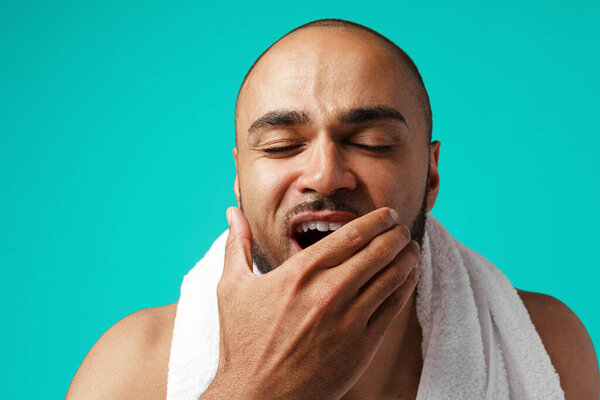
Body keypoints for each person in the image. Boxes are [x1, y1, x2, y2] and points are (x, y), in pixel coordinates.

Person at [66, 19, 599, 399]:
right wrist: (259, 389)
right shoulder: (132, 370)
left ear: (431, 175)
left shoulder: (547, 342)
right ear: (239, 179)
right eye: (279, 146)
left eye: (371, 142)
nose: (324, 175)